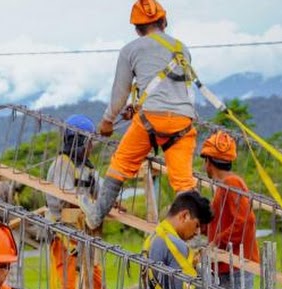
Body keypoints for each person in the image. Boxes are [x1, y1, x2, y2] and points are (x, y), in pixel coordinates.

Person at [80, 0, 198, 230]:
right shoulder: (182, 49)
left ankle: (96, 216)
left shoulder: (131, 50)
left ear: (136, 29)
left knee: (120, 164)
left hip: (149, 119)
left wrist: (107, 121)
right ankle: (193, 232)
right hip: (182, 122)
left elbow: (120, 92)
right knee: (184, 182)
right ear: (164, 22)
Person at [45, 114, 106, 289]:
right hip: (64, 233)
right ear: (77, 141)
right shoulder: (62, 165)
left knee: (95, 278)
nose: (91, 148)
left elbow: (102, 193)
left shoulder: (88, 169)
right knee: (69, 283)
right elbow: (66, 199)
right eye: (88, 143)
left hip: (84, 234)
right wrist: (89, 206)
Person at [201, 130, 259, 289]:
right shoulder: (225, 185)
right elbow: (226, 222)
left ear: (208, 162)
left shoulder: (231, 183)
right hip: (227, 264)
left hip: (236, 266)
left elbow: (245, 222)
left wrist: (216, 242)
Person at [139, 191, 213, 289]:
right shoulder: (175, 244)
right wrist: (202, 272)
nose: (197, 233)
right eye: (197, 225)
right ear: (185, 216)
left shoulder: (153, 237)